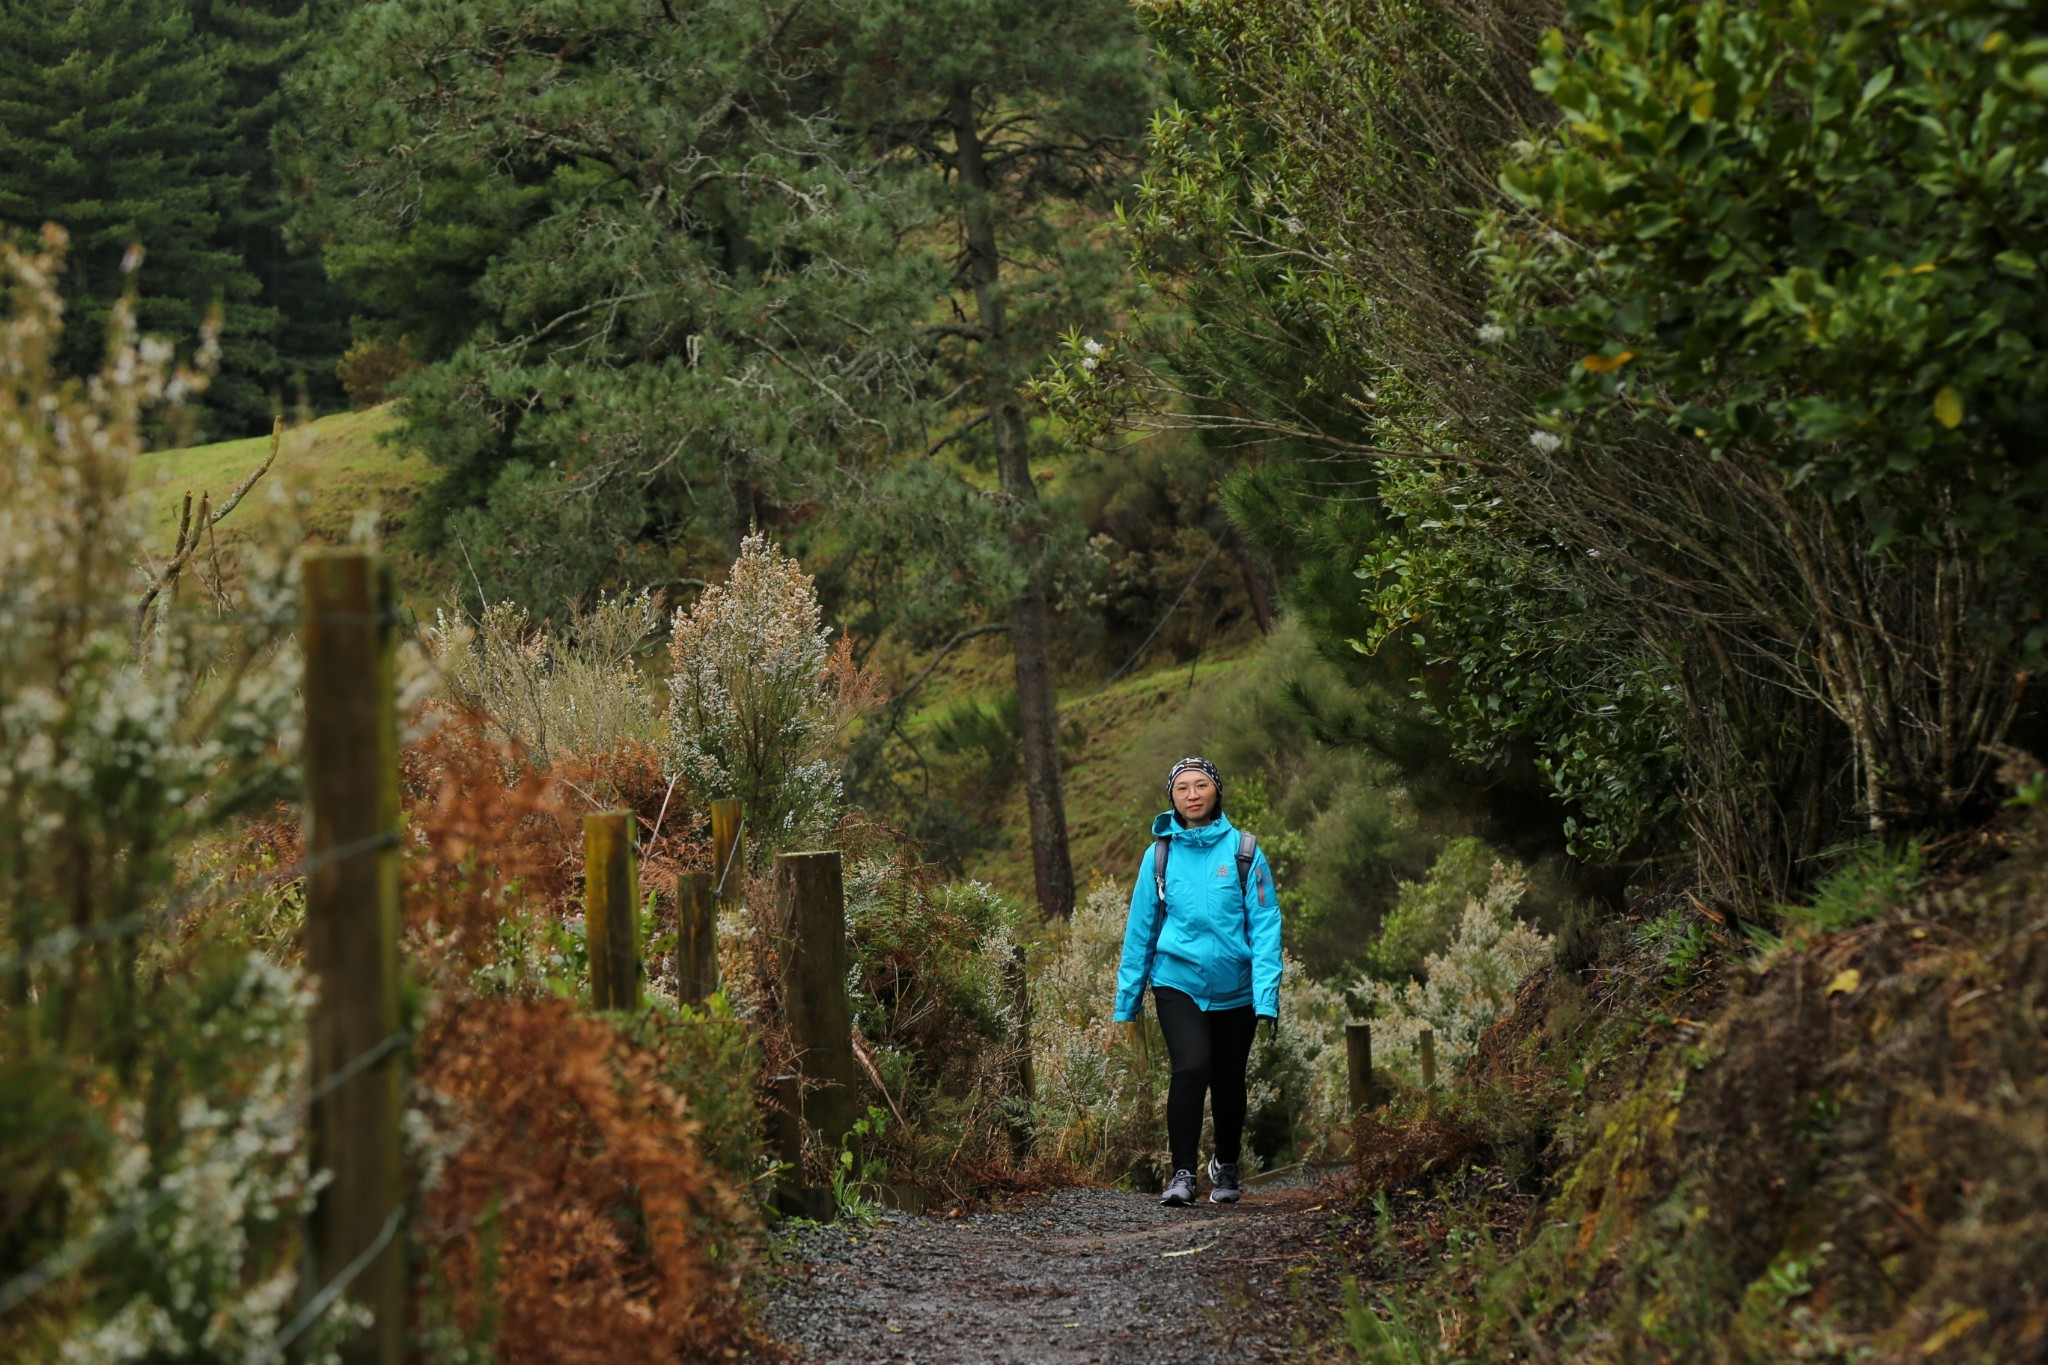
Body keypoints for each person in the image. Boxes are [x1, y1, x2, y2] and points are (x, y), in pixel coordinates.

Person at [1113, 756, 1283, 1206]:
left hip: (1237, 988)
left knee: (1229, 1078)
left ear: (1215, 792)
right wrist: (1127, 1001)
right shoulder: (1159, 856)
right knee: (1191, 1068)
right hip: (1177, 982)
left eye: (1200, 785)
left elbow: (1265, 926)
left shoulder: (1245, 852)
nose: (1192, 794)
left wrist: (1266, 998)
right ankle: (1183, 1173)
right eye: (1182, 787)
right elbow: (1140, 930)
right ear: (1171, 796)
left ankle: (1226, 1166)